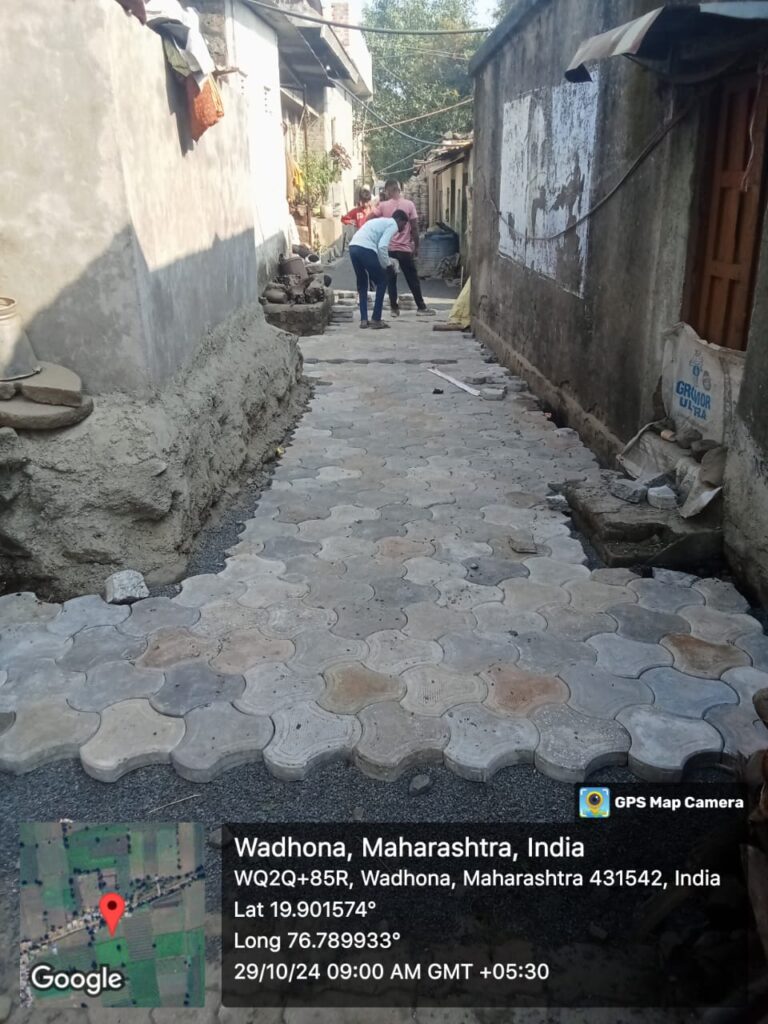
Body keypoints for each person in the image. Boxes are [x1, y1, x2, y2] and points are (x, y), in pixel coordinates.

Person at [367, 179, 435, 317]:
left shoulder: (383, 206)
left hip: (389, 249)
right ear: (398, 189)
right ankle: (421, 308)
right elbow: (414, 227)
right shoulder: (409, 204)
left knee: (391, 279)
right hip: (405, 250)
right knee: (412, 279)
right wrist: (416, 246)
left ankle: (394, 309)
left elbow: (369, 218)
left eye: (386, 191)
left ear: (389, 190)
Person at [348, 210, 410, 330]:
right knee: (382, 281)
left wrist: (386, 262)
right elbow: (382, 246)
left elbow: (377, 250)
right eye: (404, 224)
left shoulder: (380, 222)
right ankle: (376, 319)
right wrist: (388, 266)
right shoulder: (392, 224)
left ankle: (364, 320)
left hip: (353, 247)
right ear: (399, 220)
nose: (403, 228)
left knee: (362, 283)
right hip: (365, 248)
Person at [340, 187, 372, 253]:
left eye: (367, 202)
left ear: (370, 201)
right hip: (360, 241)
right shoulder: (356, 211)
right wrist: (350, 222)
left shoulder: (374, 211)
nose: (365, 204)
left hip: (371, 240)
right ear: (361, 201)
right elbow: (343, 219)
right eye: (363, 202)